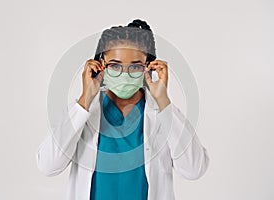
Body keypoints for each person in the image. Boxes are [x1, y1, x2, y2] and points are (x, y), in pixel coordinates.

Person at [36, 19, 209, 200]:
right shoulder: (83, 111)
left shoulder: (162, 114)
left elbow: (194, 170)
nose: (125, 74)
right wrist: (85, 98)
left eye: (135, 66)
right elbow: (48, 166)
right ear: (100, 64)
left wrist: (163, 101)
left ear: (148, 66)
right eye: (115, 65)